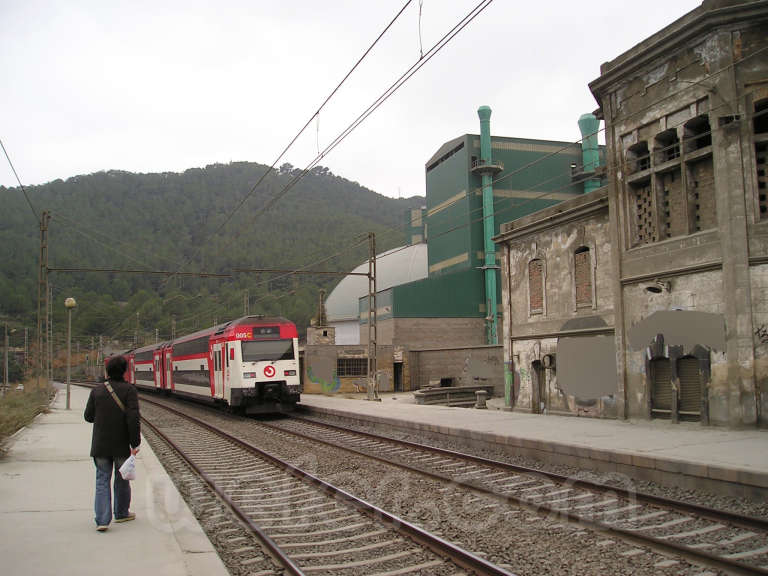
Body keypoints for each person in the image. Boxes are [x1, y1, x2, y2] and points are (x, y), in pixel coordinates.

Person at [84, 355, 141, 532]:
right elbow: (133, 419)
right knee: (121, 479)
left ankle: (102, 520)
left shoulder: (97, 390)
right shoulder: (129, 390)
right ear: (124, 371)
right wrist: (135, 442)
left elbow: (88, 417)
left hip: (100, 445)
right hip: (121, 444)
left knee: (102, 480)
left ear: (107, 371)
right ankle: (122, 513)